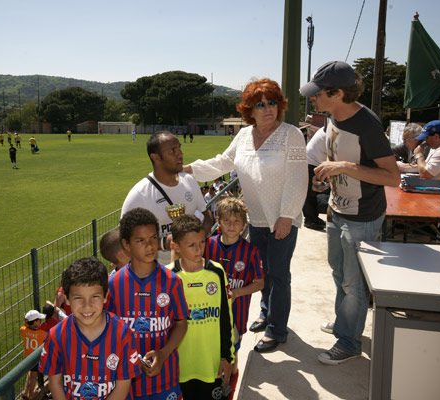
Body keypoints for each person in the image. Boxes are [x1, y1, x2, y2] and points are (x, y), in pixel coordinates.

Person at [184, 78, 308, 354]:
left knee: (278, 274)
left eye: (272, 102)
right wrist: (188, 169)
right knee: (263, 271)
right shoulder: (243, 136)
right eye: (260, 104)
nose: (268, 109)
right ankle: (265, 313)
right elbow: (222, 162)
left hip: (281, 219)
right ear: (249, 110)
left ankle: (277, 329)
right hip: (256, 219)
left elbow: (299, 180)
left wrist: (287, 215)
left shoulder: (291, 135)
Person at [300, 61, 400, 364]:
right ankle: (345, 323)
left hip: (363, 217)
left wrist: (342, 167)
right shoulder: (333, 116)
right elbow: (337, 156)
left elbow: (391, 177)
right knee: (339, 273)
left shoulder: (367, 125)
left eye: (318, 94)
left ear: (337, 93)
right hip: (337, 209)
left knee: (353, 283)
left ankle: (349, 342)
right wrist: (326, 176)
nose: (313, 99)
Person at [106, 207, 189, 399]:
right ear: (126, 245)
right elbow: (108, 332)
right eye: (140, 241)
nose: (150, 245)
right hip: (126, 386)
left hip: (165, 381)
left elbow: (181, 324)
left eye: (153, 238)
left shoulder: (172, 281)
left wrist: (163, 353)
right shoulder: (114, 285)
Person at [39, 257, 141, 400]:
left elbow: (123, 385)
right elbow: (55, 383)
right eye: (78, 298)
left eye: (94, 296)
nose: (87, 305)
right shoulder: (57, 335)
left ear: (105, 296)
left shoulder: (122, 333)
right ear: (66, 299)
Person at [167, 215, 235, 400]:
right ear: (176, 246)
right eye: (191, 245)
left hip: (211, 364)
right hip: (179, 367)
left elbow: (226, 318)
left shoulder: (216, 272)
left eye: (202, 242)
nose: (199, 249)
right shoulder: (168, 276)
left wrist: (227, 357)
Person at [121, 131, 213, 265]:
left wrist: (195, 241)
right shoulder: (139, 194)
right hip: (159, 273)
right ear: (156, 157)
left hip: (193, 268)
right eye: (172, 151)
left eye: (179, 148)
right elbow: (126, 239)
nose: (180, 154)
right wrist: (165, 243)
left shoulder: (189, 181)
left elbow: (207, 216)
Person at [204, 198, 264, 399]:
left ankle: (228, 391)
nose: (232, 225)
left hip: (235, 316)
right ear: (218, 221)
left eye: (237, 221)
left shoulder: (250, 251)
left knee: (231, 354)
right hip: (208, 314)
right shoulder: (208, 246)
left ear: (244, 223)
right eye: (227, 220)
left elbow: (260, 283)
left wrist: (237, 293)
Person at [303, 128, 329, 230]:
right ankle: (309, 220)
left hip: (314, 161)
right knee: (310, 193)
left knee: (313, 193)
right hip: (310, 162)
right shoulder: (331, 130)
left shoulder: (329, 128)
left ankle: (314, 217)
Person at [20, 310, 47, 399]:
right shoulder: (41, 334)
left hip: (27, 357)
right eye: (39, 319)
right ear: (35, 322)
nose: (40, 321)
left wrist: (26, 321)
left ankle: (24, 391)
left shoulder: (23, 330)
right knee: (34, 375)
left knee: (30, 372)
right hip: (35, 359)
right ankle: (31, 393)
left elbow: (24, 327)